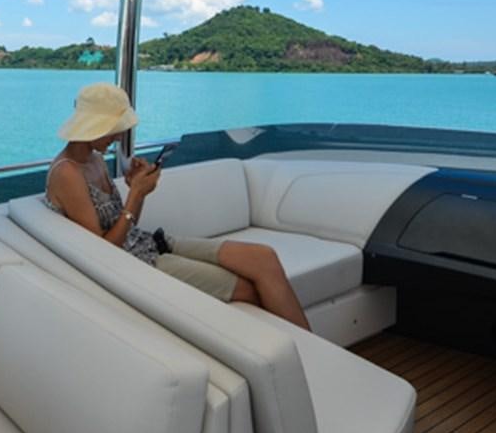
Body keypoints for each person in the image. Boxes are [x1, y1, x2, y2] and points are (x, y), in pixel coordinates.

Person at [45, 82, 311, 331]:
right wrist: (135, 194)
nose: (117, 136)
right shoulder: (67, 174)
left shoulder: (95, 160)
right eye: (113, 128)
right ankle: (304, 354)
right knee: (248, 287)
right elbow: (100, 253)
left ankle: (320, 352)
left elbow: (128, 224)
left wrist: (139, 189)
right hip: (134, 263)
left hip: (146, 242)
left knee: (263, 258)